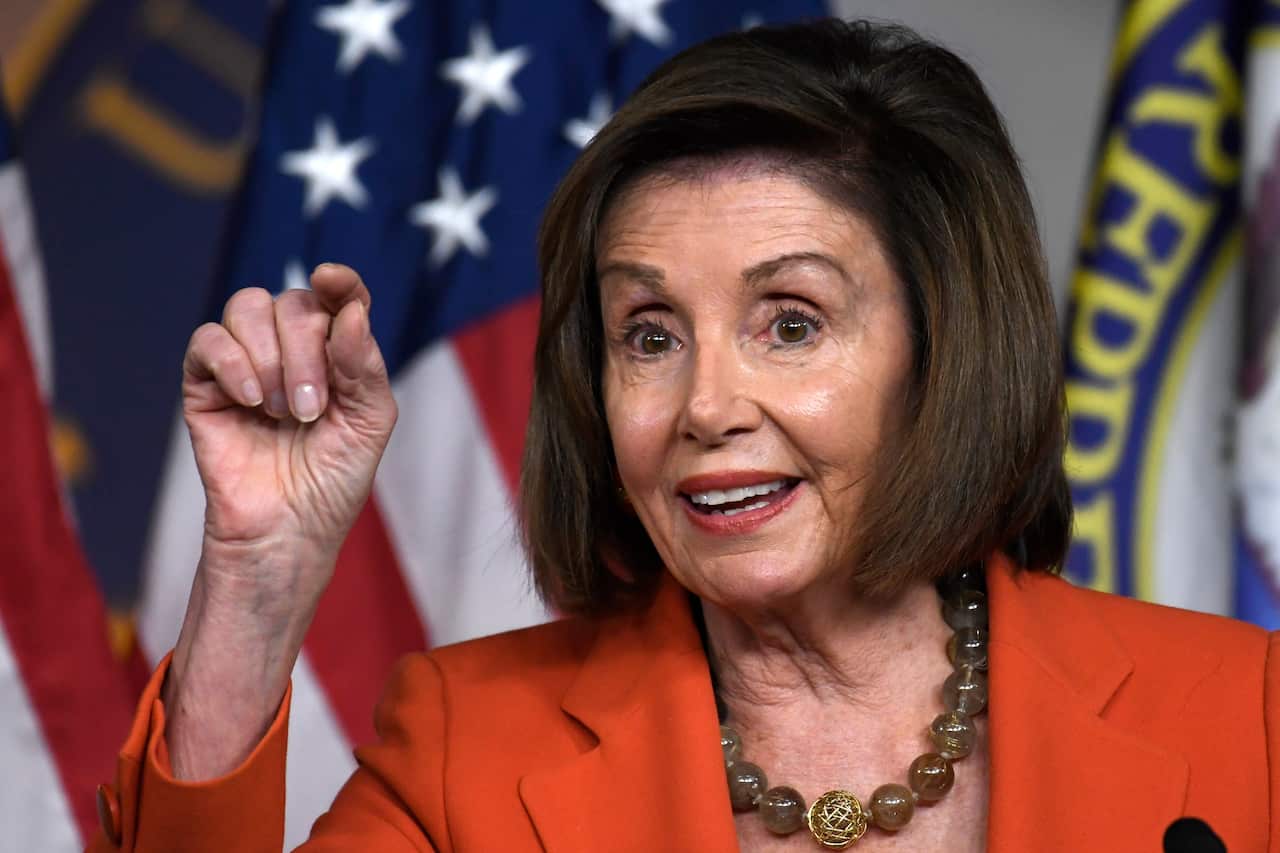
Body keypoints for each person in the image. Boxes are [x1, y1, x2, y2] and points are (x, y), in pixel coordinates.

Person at [89, 18, 1277, 853]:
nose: (705, 405)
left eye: (790, 322)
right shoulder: (468, 751)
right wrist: (257, 573)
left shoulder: (1243, 719)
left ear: (946, 350)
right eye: (649, 334)